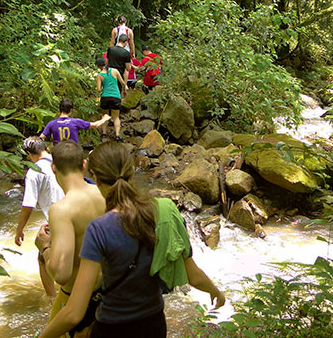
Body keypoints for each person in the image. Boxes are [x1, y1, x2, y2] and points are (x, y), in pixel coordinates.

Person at [38, 141, 225, 338]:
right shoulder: (162, 212)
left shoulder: (99, 229)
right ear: (132, 173)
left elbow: (74, 313)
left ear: (96, 179)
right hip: (154, 325)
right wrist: (216, 292)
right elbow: (193, 275)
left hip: (112, 329)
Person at [35, 140, 106, 336]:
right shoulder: (104, 194)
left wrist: (45, 247)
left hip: (76, 301)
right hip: (109, 297)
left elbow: (61, 273)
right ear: (84, 164)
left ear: (53, 167)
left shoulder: (62, 210)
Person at [15, 136, 65, 297]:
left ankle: (52, 299)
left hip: (57, 220)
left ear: (29, 154)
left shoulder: (34, 172)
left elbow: (28, 205)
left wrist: (19, 230)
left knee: (43, 259)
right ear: (46, 148)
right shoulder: (62, 162)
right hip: (76, 213)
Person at [41, 98, 111, 145]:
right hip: (73, 153)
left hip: (58, 154)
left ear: (60, 109)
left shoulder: (52, 124)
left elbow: (41, 138)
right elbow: (95, 125)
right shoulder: (75, 122)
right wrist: (104, 119)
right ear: (71, 110)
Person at [96, 57, 126, 142]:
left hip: (105, 96)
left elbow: (98, 89)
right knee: (116, 117)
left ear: (98, 66)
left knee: (105, 115)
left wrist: (103, 89)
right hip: (116, 96)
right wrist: (124, 91)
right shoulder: (115, 71)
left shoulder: (99, 75)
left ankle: (104, 133)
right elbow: (123, 83)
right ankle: (117, 135)